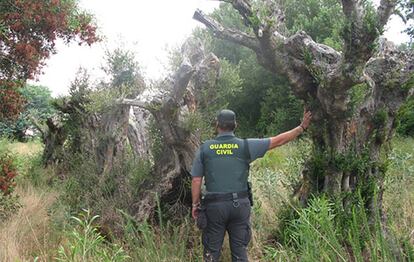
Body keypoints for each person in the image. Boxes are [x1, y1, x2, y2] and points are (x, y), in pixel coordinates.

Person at [191, 109, 312, 262]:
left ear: (217, 125)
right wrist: (301, 127)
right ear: (235, 125)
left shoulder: (205, 148)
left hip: (214, 208)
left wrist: (195, 205)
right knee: (240, 253)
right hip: (240, 206)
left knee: (211, 253)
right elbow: (278, 140)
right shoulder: (246, 146)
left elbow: (196, 180)